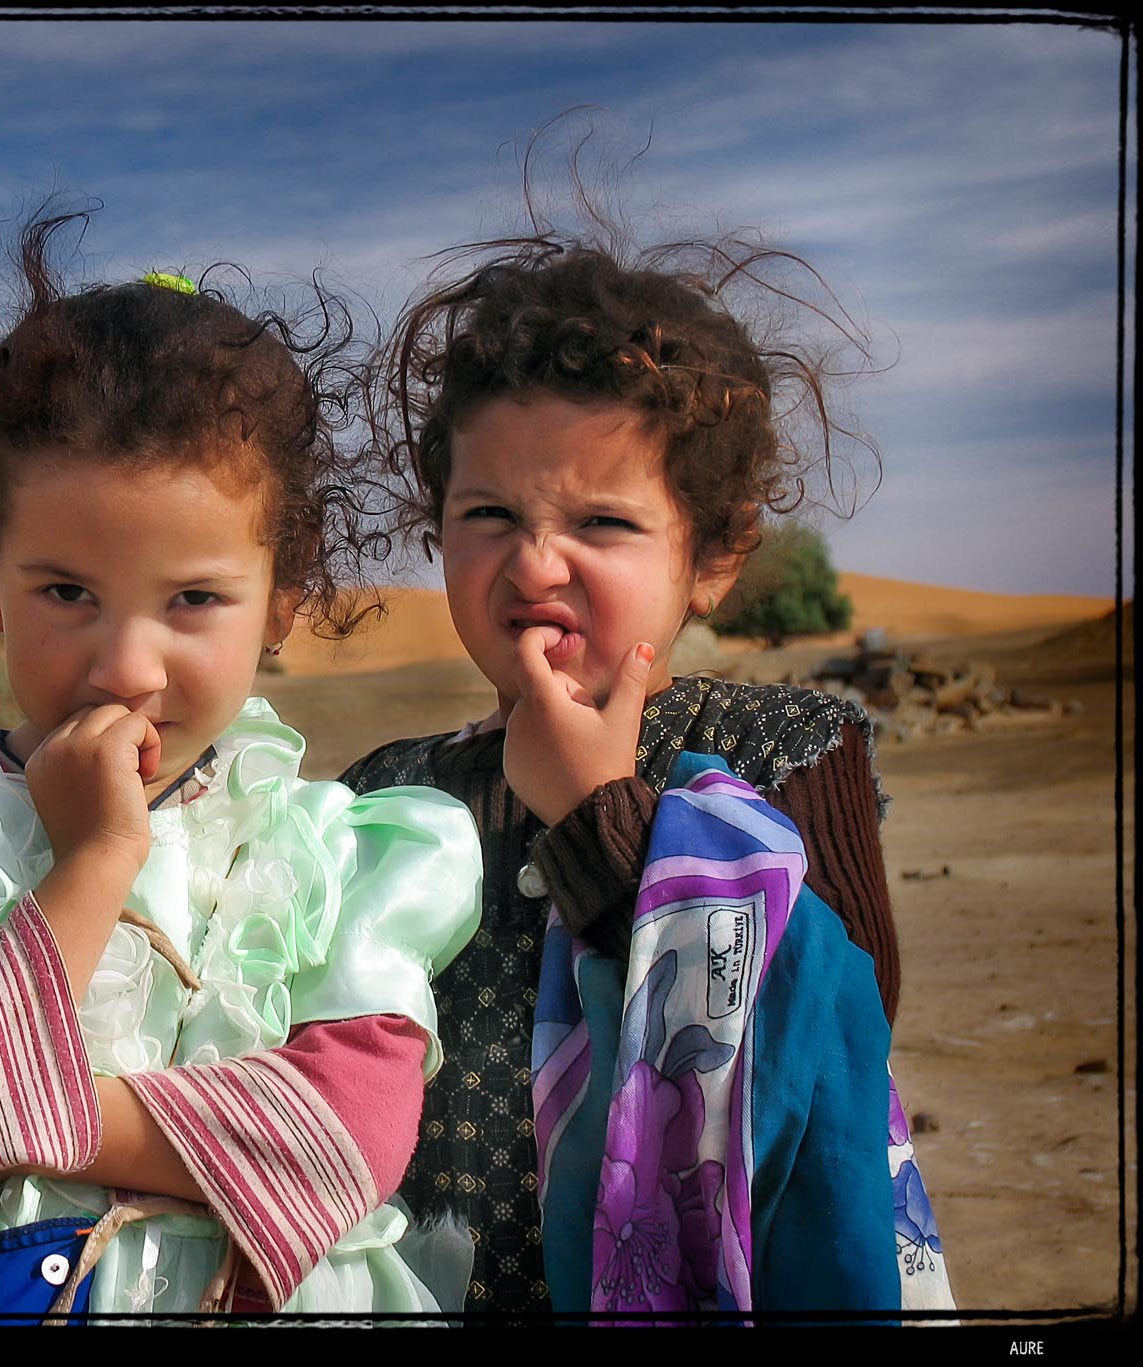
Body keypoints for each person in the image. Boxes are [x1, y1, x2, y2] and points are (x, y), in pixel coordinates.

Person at [0, 208, 484, 1320]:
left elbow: (341, 1145)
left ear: (286, 596)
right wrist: (93, 861)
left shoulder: (336, 850)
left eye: (194, 599)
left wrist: (8, 1107)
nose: (126, 665)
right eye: (66, 591)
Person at [342, 198, 953, 1317]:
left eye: (603, 524)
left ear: (711, 556)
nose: (533, 561)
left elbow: (823, 1053)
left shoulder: (783, 751)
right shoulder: (384, 793)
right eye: (486, 512)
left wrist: (595, 818)